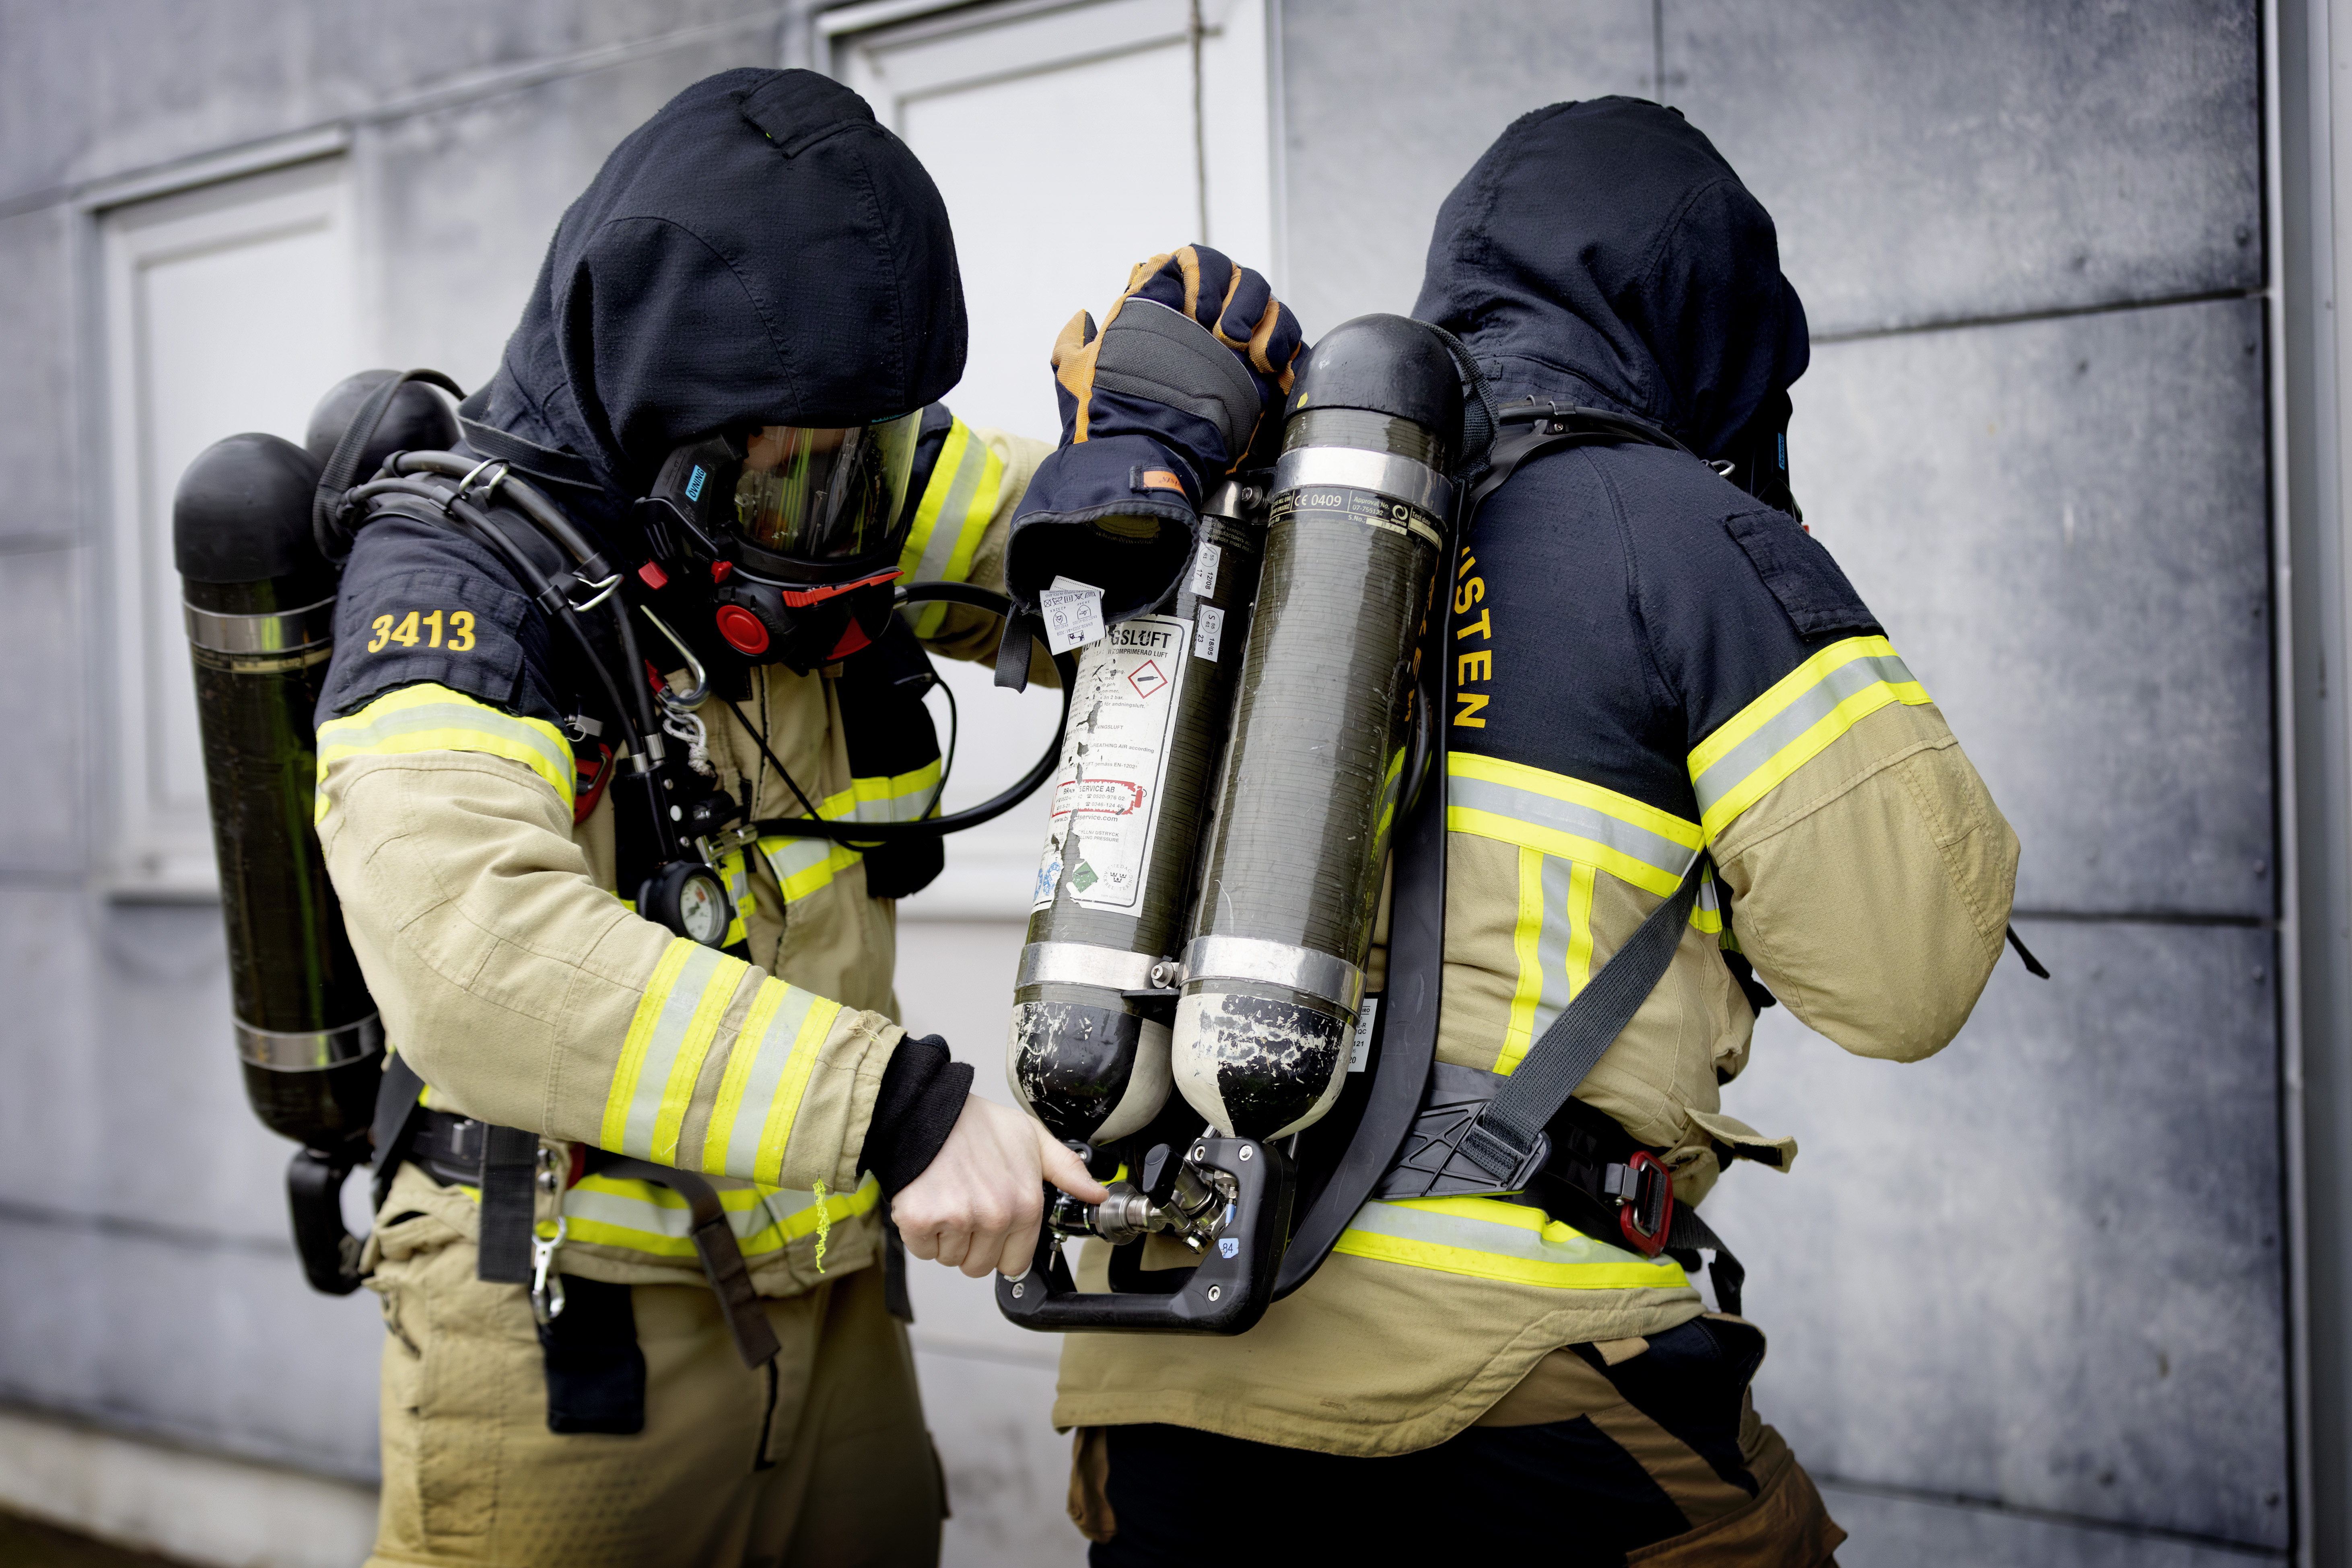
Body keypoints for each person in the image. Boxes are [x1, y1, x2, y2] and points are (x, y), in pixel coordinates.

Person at [1053, 97, 2021, 1566]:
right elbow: (1909, 975)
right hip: (1504, 1384)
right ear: (1711, 334)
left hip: (1165, 1361)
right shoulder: (1679, 528)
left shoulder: (1271, 513)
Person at [309, 67, 1121, 1568]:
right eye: (792, 487)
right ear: (669, 429)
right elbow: (468, 946)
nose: (839, 533)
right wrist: (895, 1110)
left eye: (865, 465)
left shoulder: (824, 466)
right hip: (575, 1341)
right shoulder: (460, 580)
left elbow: (1070, 562)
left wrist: (1178, 459)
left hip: (836, 1299)